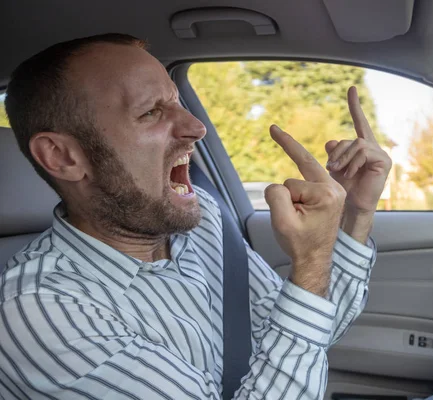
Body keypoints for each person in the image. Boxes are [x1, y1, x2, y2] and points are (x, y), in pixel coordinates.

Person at [0, 34, 392, 399]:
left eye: (176, 103)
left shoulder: (199, 218)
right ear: (62, 156)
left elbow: (305, 331)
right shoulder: (42, 311)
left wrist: (356, 211)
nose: (196, 127)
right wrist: (309, 262)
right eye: (152, 112)